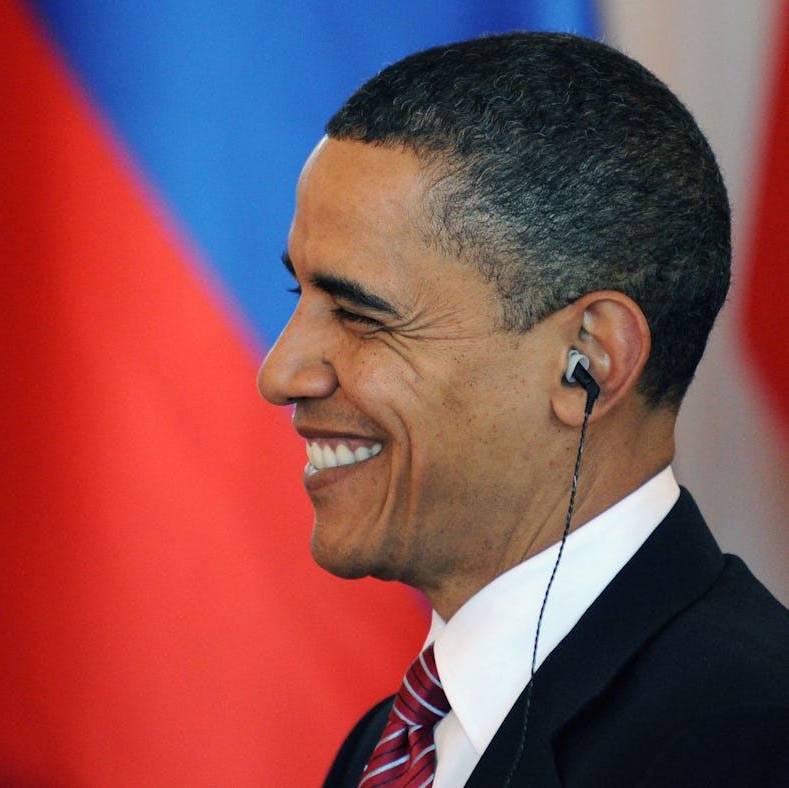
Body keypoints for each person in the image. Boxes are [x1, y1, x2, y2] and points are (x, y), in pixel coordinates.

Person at [257, 31, 789, 787]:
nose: (279, 374)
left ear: (590, 362)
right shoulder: (385, 746)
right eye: (297, 296)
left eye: (361, 315)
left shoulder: (755, 742)